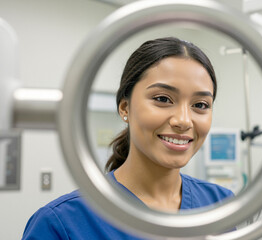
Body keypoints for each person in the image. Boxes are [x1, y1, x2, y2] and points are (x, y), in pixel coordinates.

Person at [22, 37, 234, 239]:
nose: (184, 121)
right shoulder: (61, 224)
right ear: (125, 108)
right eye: (162, 99)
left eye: (200, 105)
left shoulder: (219, 205)